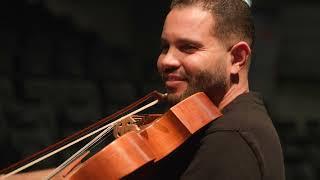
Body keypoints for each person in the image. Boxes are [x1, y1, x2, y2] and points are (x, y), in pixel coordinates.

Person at [152, 0, 286, 179]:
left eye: (188, 48)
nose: (166, 61)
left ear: (237, 58)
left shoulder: (230, 138)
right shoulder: (229, 124)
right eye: (165, 47)